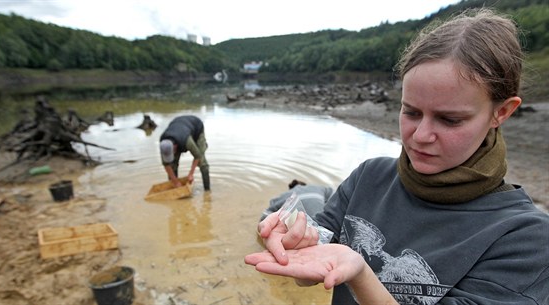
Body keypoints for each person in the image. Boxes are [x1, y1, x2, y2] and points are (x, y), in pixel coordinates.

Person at [245, 8, 549, 305]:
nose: (420, 136)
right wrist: (294, 240)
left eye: (449, 120)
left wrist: (362, 275)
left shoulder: (525, 237)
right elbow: (314, 266)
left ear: (502, 112)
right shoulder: (370, 177)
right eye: (411, 112)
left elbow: (350, 268)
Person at [159, 115, 210, 191]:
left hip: (196, 127)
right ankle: (174, 190)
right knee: (172, 165)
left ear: (175, 147)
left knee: (202, 162)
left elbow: (197, 156)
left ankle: (207, 190)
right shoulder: (163, 144)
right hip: (178, 125)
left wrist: (191, 174)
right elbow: (166, 165)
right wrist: (175, 182)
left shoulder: (186, 140)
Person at [259, 179, 334, 222]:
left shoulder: (285, 195)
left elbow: (265, 215)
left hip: (302, 228)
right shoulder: (320, 188)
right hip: (326, 225)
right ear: (305, 185)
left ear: (291, 189)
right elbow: (335, 198)